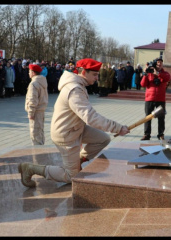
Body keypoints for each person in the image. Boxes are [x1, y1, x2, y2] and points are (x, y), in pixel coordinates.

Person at [18, 58, 130, 188]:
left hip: (76, 129)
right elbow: (90, 117)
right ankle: (31, 169)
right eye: (94, 74)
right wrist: (117, 128)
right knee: (71, 176)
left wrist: (115, 128)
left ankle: (78, 160)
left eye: (97, 74)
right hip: (66, 135)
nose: (97, 78)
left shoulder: (79, 85)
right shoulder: (74, 89)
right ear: (83, 72)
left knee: (103, 138)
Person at [140, 57, 170, 141]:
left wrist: (157, 73)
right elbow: (142, 84)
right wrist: (145, 74)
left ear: (162, 64)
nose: (159, 64)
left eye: (160, 62)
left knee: (161, 118)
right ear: (155, 64)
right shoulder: (149, 73)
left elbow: (167, 78)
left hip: (160, 99)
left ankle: (160, 134)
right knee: (148, 117)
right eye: (157, 63)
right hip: (149, 99)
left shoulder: (165, 73)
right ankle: (147, 134)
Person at [24, 64, 48, 145]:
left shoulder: (33, 84)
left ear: (33, 73)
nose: (28, 73)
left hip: (36, 111)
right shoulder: (42, 81)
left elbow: (32, 99)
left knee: (35, 134)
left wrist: (31, 112)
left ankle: (38, 155)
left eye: (29, 72)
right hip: (41, 110)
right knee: (40, 131)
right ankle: (41, 149)